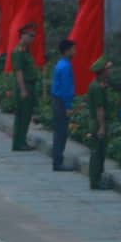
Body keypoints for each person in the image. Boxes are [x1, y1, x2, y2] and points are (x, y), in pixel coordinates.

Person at [46, 38, 76, 171]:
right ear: (67, 51)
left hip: (58, 100)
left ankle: (57, 160)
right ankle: (58, 161)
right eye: (73, 49)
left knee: (59, 132)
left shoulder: (62, 64)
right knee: (61, 133)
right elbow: (65, 89)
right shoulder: (65, 66)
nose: (75, 51)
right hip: (61, 102)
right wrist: (68, 106)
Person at [85, 58, 114, 190]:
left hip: (98, 122)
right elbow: (99, 108)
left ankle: (97, 179)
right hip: (97, 123)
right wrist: (102, 127)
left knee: (100, 153)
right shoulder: (96, 87)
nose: (110, 71)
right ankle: (95, 181)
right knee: (97, 154)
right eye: (108, 68)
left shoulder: (100, 85)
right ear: (102, 71)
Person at [10, 27, 40, 153]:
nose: (33, 38)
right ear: (22, 35)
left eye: (34, 36)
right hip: (24, 85)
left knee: (26, 116)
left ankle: (21, 141)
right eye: (30, 35)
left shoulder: (26, 51)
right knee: (22, 116)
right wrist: (22, 89)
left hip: (30, 85)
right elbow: (18, 72)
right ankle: (19, 143)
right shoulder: (18, 52)